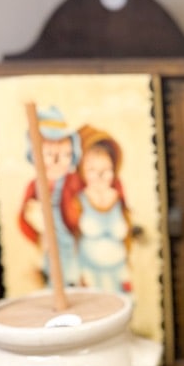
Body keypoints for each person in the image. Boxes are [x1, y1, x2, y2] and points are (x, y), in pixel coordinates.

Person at [63, 125, 133, 293]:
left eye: (106, 170)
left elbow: (126, 234)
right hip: (91, 273)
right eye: (92, 170)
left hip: (118, 271)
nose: (100, 176)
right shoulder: (79, 201)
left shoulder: (118, 199)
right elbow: (72, 240)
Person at [18, 106, 82, 286]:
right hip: (50, 245)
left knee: (75, 277)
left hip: (73, 244)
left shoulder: (73, 181)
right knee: (54, 277)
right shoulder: (35, 186)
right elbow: (22, 218)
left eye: (65, 154)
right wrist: (38, 238)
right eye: (49, 154)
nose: (57, 161)